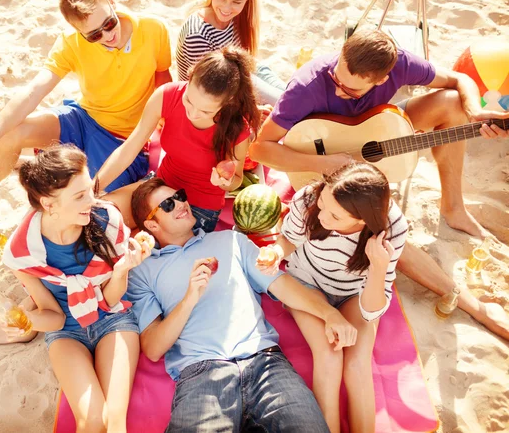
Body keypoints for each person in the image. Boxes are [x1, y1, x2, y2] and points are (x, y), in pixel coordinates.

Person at [249, 28, 509, 341]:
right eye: (337, 79)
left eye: (351, 89)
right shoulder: (307, 86)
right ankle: (475, 307)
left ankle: (453, 207)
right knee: (382, 232)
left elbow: (459, 80)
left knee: (452, 103)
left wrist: (474, 112)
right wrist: (324, 164)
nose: (340, 89)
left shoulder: (398, 63)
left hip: (374, 126)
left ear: (383, 79)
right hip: (323, 161)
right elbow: (259, 148)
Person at [0, 0, 172, 250]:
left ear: (112, 4)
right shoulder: (70, 43)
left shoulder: (153, 29)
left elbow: (164, 80)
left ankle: (23, 164)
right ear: (78, 31)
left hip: (124, 141)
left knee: (94, 211)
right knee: (8, 135)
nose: (106, 36)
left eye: (109, 23)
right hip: (83, 119)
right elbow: (34, 91)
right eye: (93, 35)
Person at [126, 177, 356, 432]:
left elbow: (283, 286)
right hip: (202, 374)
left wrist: (329, 313)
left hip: (265, 363)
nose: (181, 203)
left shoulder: (231, 241)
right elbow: (154, 348)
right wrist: (190, 297)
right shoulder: (143, 271)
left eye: (179, 195)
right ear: (151, 224)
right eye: (168, 205)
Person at [0, 145, 151, 433]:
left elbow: (110, 299)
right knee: (93, 421)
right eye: (80, 196)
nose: (92, 201)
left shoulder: (108, 222)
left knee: (116, 423)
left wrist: (121, 270)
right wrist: (24, 320)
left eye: (90, 189)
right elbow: (54, 317)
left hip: (112, 319)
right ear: (49, 204)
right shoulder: (23, 252)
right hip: (66, 332)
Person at [256, 162, 407, 433]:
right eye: (324, 203)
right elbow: (288, 240)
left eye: (335, 217)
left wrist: (379, 266)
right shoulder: (309, 199)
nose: (323, 216)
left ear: (363, 220)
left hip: (355, 294)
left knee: (357, 364)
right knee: (328, 355)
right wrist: (277, 253)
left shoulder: (392, 227)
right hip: (306, 282)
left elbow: (373, 309)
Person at [96, 47, 260, 233]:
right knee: (100, 218)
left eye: (206, 111)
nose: (193, 113)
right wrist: (93, 187)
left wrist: (224, 182)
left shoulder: (236, 129)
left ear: (227, 102)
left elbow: (236, 180)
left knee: (139, 249)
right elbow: (129, 148)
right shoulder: (166, 95)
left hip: (196, 208)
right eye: (189, 100)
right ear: (189, 79)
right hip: (160, 186)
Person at [176, 0, 286, 106]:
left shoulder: (238, 17)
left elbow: (247, 61)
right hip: (220, 87)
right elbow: (210, 90)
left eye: (236, 2)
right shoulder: (197, 34)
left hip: (241, 70)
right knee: (285, 105)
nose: (226, 9)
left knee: (293, 96)